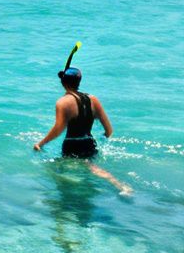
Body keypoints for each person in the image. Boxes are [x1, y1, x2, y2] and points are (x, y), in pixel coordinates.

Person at [34, 65, 131, 195]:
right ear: (79, 82)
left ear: (63, 82)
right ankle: (119, 186)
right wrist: (103, 139)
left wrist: (40, 143)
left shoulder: (63, 103)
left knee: (52, 169)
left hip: (72, 146)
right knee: (90, 166)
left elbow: (58, 129)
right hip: (90, 144)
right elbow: (109, 131)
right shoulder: (93, 99)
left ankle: (116, 185)